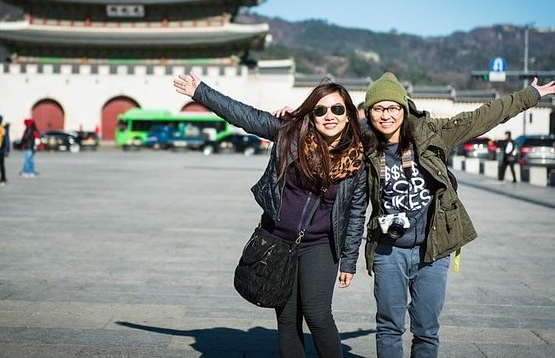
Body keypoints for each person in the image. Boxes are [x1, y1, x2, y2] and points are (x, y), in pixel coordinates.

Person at [361, 72, 555, 358]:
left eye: (393, 107)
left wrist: (531, 95)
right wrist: (288, 117)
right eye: (378, 108)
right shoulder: (363, 145)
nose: (386, 115)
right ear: (369, 113)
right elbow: (323, 125)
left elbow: (482, 117)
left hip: (434, 249)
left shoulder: (432, 132)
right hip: (390, 251)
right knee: (389, 327)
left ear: (404, 108)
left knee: (426, 330)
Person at [174, 72, 367, 358]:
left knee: (317, 314)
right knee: (287, 320)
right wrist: (200, 91)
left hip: (321, 246)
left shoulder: (358, 158)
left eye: (338, 109)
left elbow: (355, 213)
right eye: (321, 109)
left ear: (349, 115)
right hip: (278, 243)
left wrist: (349, 260)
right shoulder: (289, 134)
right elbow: (244, 116)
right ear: (311, 114)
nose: (330, 116)